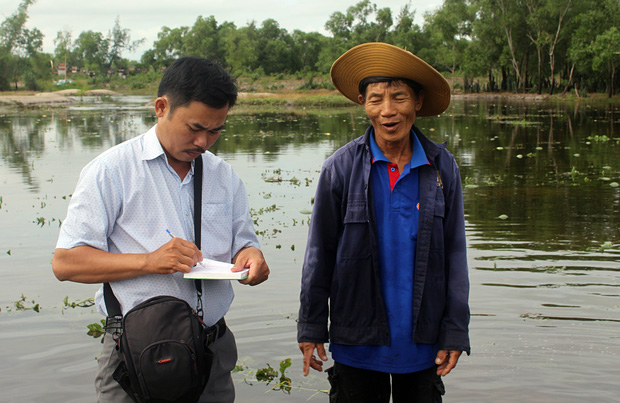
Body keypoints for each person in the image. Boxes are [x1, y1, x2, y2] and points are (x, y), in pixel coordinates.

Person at [52, 56, 270, 403]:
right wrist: (149, 261)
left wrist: (251, 256)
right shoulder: (111, 171)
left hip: (211, 347)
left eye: (215, 130)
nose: (203, 142)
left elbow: (242, 244)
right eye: (194, 127)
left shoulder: (223, 176)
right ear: (161, 107)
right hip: (135, 350)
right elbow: (66, 263)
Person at [297, 42, 470, 402]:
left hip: (423, 343)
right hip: (356, 339)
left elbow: (456, 256)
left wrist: (455, 330)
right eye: (376, 99)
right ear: (363, 103)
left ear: (418, 102)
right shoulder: (340, 169)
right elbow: (319, 255)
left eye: (399, 97)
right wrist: (311, 326)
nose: (388, 111)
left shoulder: (443, 168)